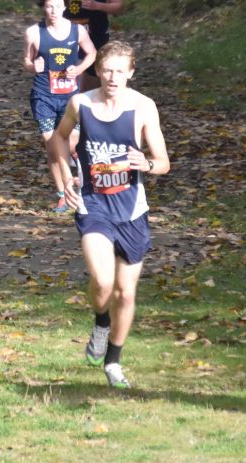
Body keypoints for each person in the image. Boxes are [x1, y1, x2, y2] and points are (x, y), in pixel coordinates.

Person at [50, 40, 170, 389]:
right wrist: (65, 179)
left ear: (131, 73)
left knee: (126, 293)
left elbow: (163, 162)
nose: (113, 77)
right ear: (97, 71)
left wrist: (146, 163)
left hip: (131, 209)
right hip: (94, 204)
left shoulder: (144, 107)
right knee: (103, 282)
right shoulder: (80, 103)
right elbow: (59, 140)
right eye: (107, 70)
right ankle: (101, 322)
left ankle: (114, 361)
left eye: (120, 71)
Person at [23, 0, 96, 212]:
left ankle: (75, 183)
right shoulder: (34, 32)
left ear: (65, 6)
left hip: (69, 98)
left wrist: (79, 67)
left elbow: (92, 53)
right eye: (48, 6)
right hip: (43, 95)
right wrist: (33, 66)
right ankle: (63, 194)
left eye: (57, 5)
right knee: (52, 144)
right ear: (43, 7)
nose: (53, 10)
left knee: (68, 142)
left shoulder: (78, 32)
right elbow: (26, 61)